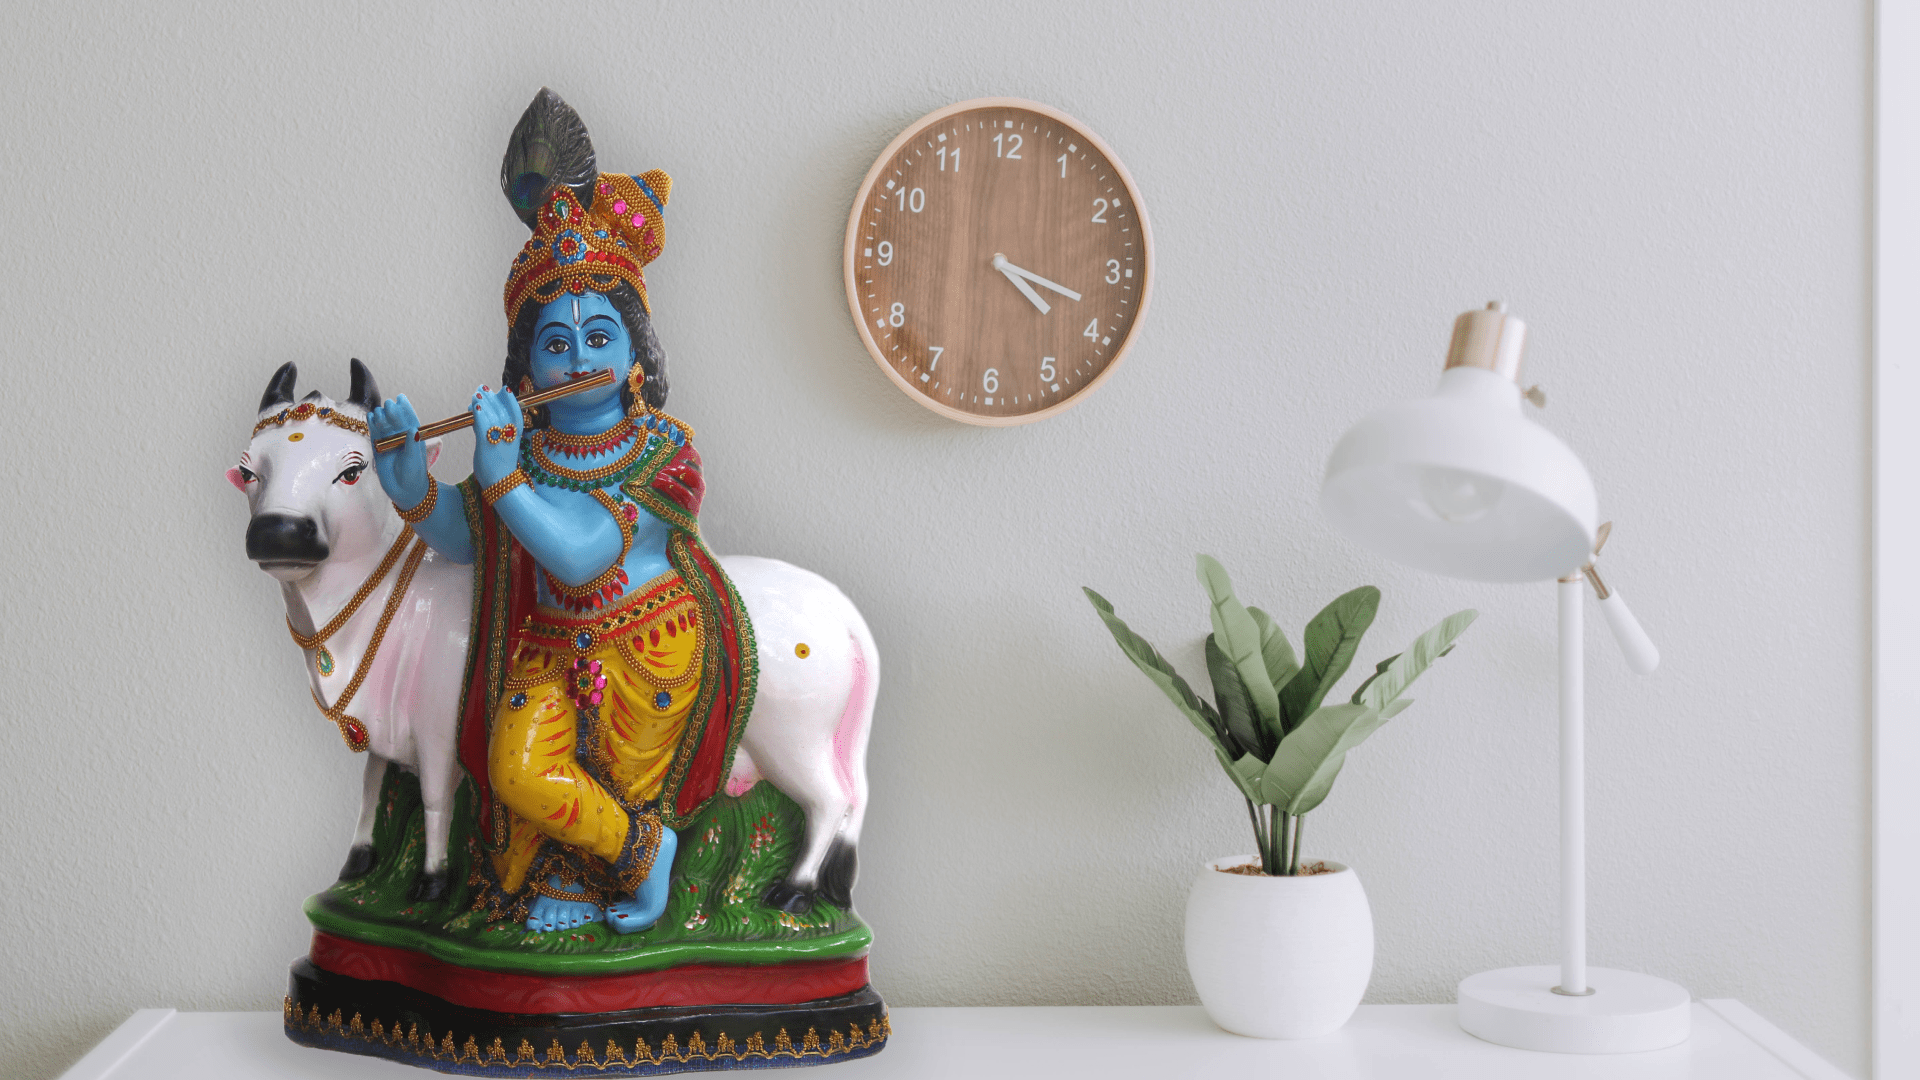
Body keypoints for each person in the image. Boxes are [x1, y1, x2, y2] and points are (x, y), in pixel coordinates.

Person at [367, 89, 755, 934]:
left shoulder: (664, 452)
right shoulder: (532, 452)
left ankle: (614, 867)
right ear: (526, 371)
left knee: (600, 770)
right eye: (555, 343)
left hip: (649, 654)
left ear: (636, 353)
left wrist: (504, 480)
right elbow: (470, 538)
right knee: (516, 772)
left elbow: (582, 554)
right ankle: (639, 853)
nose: (578, 356)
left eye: (599, 338)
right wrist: (412, 488)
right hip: (546, 649)